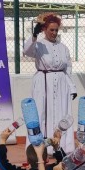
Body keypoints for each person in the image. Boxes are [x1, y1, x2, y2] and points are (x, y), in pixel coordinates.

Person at [22, 14, 77, 152]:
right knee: (41, 112)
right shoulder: (39, 44)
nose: (54, 33)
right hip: (43, 82)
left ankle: (61, 146)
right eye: (51, 30)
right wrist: (34, 36)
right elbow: (26, 51)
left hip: (61, 84)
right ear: (45, 29)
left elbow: (68, 68)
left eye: (56, 30)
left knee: (61, 112)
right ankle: (40, 148)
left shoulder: (63, 47)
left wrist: (71, 87)